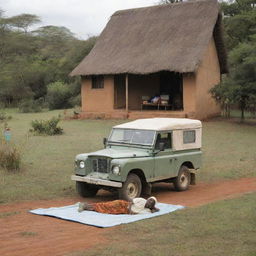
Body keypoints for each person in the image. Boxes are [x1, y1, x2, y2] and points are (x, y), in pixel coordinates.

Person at [78, 196, 159, 214]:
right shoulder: (142, 200)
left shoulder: (148, 210)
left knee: (107, 210)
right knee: (108, 205)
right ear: (147, 199)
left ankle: (87, 207)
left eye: (152, 203)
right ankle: (85, 205)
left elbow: (156, 210)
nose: (149, 202)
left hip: (125, 211)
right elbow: (131, 201)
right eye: (150, 200)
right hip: (124, 204)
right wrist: (130, 208)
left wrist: (153, 208)